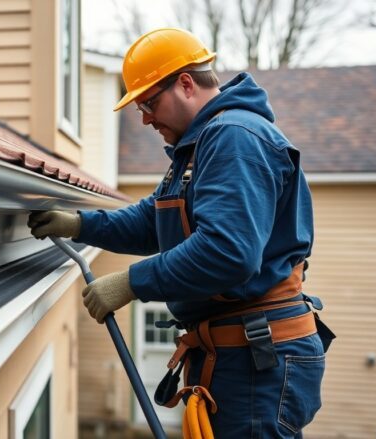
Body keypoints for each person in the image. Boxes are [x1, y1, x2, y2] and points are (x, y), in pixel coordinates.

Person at [28, 28, 334, 438]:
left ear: (186, 84)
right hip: (236, 354)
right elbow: (152, 221)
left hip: (256, 360)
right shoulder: (198, 147)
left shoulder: (234, 137)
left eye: (150, 102)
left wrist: (132, 282)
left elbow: (228, 252)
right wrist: (81, 225)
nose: (145, 118)